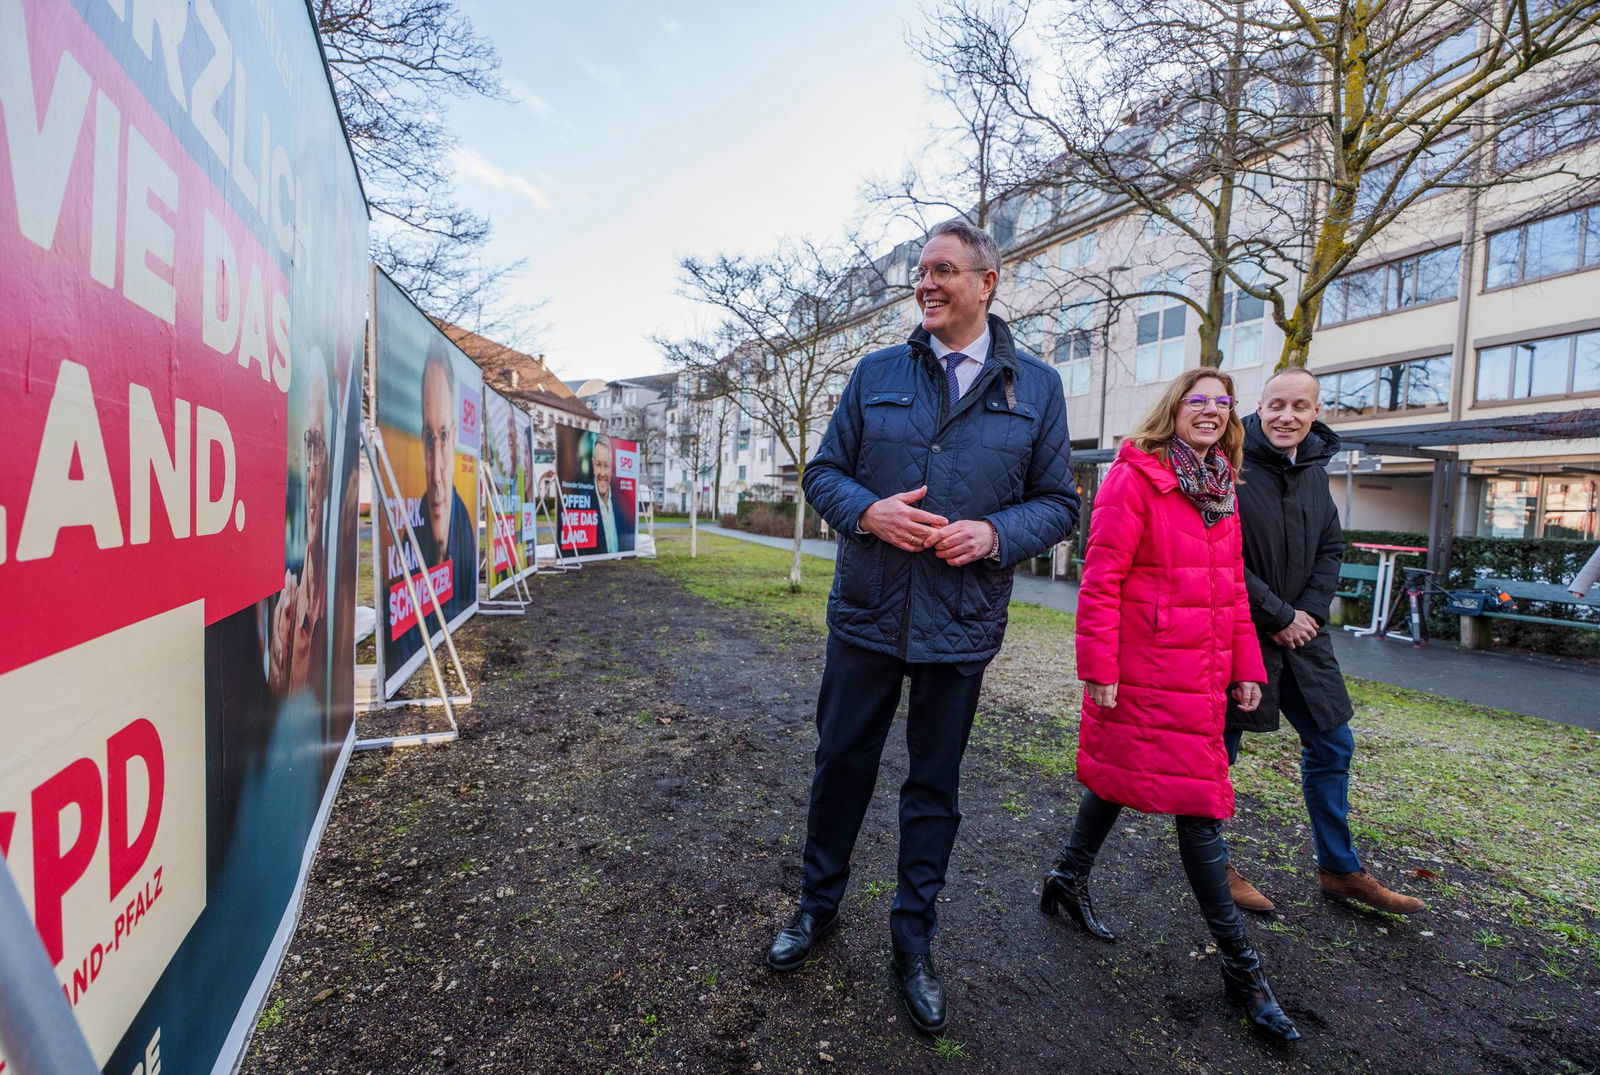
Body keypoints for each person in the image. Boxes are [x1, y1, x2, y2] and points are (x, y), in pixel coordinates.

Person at [771, 219, 1079, 1035]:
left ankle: (914, 941)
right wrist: (867, 512)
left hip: (961, 623)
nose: (926, 284)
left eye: (943, 270)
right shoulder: (874, 373)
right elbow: (822, 473)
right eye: (919, 272)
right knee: (841, 765)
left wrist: (995, 534)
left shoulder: (1037, 388)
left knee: (932, 790)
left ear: (988, 280)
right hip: (868, 615)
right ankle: (816, 906)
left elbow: (1058, 504)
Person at [1043, 367, 1301, 1044]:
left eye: (1223, 403)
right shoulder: (1137, 476)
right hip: (1144, 670)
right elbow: (1100, 578)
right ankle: (1244, 971)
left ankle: (1066, 877)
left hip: (1202, 671)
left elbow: (1231, 594)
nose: (1211, 411)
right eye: (1199, 400)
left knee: (1124, 777)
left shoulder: (1222, 486)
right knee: (1201, 813)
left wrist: (1248, 664)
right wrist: (1097, 666)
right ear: (1175, 408)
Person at [1222, 368, 1424, 917]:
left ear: (1316, 411)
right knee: (1221, 752)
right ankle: (1212, 862)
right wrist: (1278, 614)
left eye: (1300, 406)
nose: (1287, 416)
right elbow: (1219, 556)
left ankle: (1339, 869)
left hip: (1304, 635)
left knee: (1333, 744)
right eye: (1277, 405)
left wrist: (1306, 613)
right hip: (1240, 631)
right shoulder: (1228, 461)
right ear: (1259, 407)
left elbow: (1330, 546)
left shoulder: (1313, 467)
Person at [268, 359, 330, 698]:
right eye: (306, 446)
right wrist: (278, 685)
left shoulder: (333, 598)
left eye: (318, 447)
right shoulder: (286, 603)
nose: (311, 471)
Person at [414, 347, 477, 597]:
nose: (437, 475)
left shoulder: (466, 537)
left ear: (454, 442)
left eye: (443, 436)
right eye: (429, 440)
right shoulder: (408, 540)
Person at [589, 435, 635, 554]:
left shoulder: (622, 505)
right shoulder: (585, 503)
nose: (603, 473)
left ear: (612, 468)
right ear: (593, 465)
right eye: (599, 465)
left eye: (607, 465)